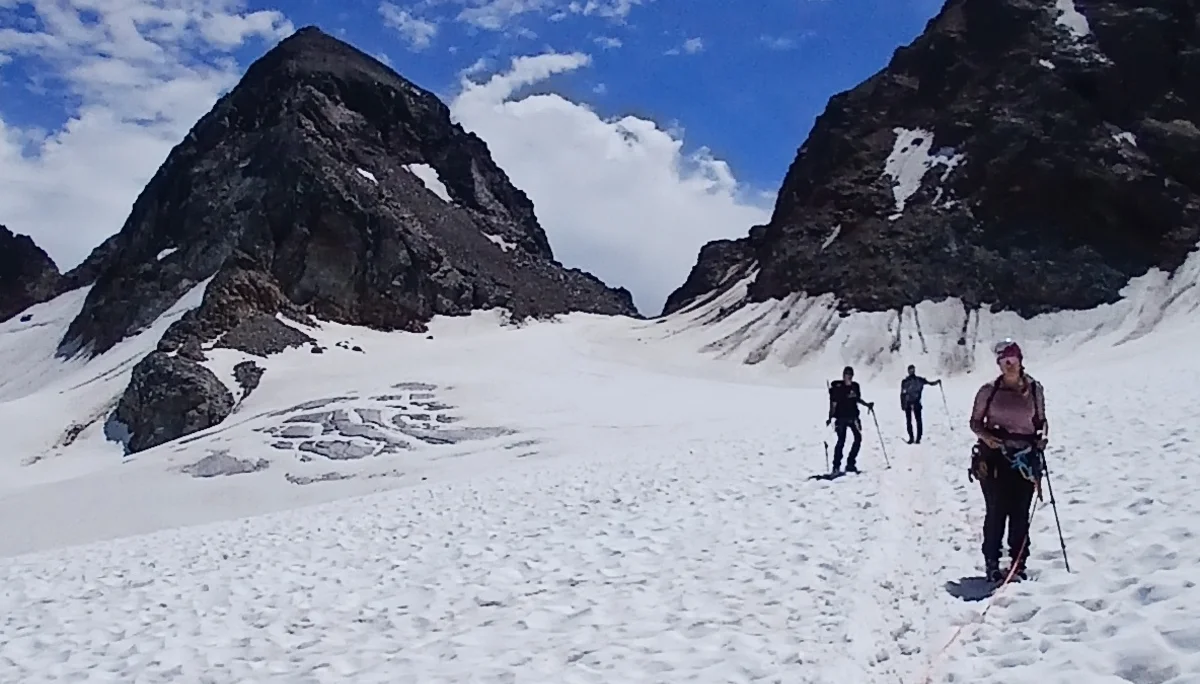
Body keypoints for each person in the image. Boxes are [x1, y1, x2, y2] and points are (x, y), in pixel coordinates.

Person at [968, 338, 1048, 582]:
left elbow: (1041, 421)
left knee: (1020, 512)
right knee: (996, 511)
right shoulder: (988, 391)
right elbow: (975, 422)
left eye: (1011, 360)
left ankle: (1018, 561)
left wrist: (1042, 438)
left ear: (1020, 361)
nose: (1008, 365)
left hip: (1024, 459)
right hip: (994, 459)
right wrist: (987, 438)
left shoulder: (1035, 389)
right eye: (1004, 362)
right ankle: (992, 561)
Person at [827, 366, 874, 474]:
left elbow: (857, 399)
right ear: (843, 375)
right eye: (847, 374)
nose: (848, 376)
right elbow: (833, 404)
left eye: (850, 374)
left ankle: (850, 463)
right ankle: (836, 466)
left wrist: (867, 405)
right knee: (841, 441)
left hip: (853, 417)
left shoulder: (855, 386)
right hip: (841, 417)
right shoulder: (838, 388)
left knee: (858, 438)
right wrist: (830, 417)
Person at [900, 365, 941, 444]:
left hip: (914, 403)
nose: (911, 371)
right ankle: (913, 438)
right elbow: (902, 394)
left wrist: (936, 382)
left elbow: (930, 383)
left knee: (915, 421)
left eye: (912, 370)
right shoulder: (910, 381)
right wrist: (902, 404)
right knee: (912, 421)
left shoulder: (916, 380)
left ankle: (916, 438)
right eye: (910, 370)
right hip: (910, 403)